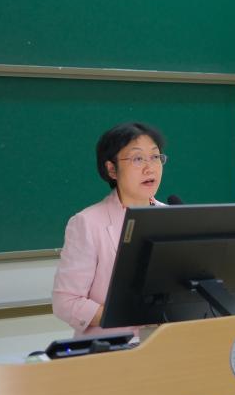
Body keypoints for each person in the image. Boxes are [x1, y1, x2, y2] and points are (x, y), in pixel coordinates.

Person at [52, 122, 167, 337]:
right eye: (137, 159)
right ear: (112, 169)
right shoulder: (87, 223)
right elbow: (65, 302)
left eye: (155, 157)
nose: (150, 167)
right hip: (111, 347)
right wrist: (126, 315)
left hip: (169, 343)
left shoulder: (172, 217)